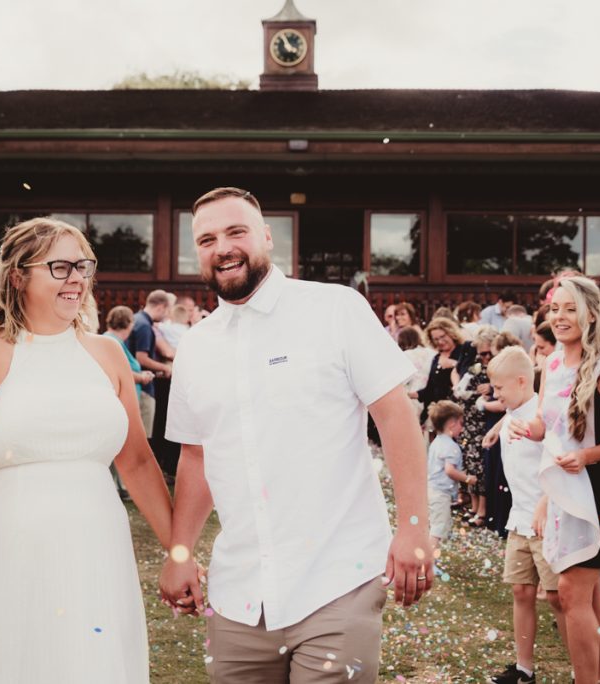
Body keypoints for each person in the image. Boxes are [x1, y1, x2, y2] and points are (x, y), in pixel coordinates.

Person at [159, 187, 432, 683]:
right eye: (207, 239)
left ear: (266, 236)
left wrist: (413, 526)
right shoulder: (196, 347)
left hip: (336, 578)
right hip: (239, 592)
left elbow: (395, 418)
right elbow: (196, 455)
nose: (223, 247)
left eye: (236, 231)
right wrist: (180, 553)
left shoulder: (335, 309)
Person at [0, 218, 172, 682]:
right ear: (18, 276)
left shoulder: (107, 354)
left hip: (97, 551)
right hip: (4, 553)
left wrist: (179, 551)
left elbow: (138, 462)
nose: (76, 278)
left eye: (83, 265)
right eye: (60, 266)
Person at [510, 276, 600, 684]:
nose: (560, 317)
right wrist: (528, 428)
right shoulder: (550, 364)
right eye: (555, 309)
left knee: (571, 592)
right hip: (563, 489)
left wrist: (587, 456)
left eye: (570, 309)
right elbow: (549, 425)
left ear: (590, 314)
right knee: (584, 593)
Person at [486, 347, 567, 684]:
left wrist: (547, 500)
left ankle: (584, 669)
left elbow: (560, 458)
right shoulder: (515, 410)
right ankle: (524, 669)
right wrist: (497, 427)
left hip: (545, 518)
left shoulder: (544, 415)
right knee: (521, 590)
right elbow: (515, 410)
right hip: (519, 519)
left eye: (499, 388)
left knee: (557, 597)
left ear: (521, 381)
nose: (495, 394)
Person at [105, 305, 156, 499]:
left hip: (124, 399)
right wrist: (141, 377)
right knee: (124, 446)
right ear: (128, 323)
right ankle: (123, 487)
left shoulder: (116, 341)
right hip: (120, 402)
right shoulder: (112, 342)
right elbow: (118, 371)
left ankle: (122, 486)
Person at [451, 325, 499, 525]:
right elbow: (460, 381)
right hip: (469, 420)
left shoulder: (498, 367)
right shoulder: (476, 364)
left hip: (484, 421)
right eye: (482, 353)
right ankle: (473, 506)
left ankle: (482, 510)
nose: (485, 357)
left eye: (488, 353)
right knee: (470, 464)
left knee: (481, 467)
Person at [425, 400, 473, 553]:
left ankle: (422, 553)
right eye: (461, 423)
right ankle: (427, 560)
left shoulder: (436, 442)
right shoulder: (451, 447)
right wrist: (467, 478)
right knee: (438, 528)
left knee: (431, 524)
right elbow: (450, 471)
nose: (462, 427)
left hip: (430, 489)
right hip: (440, 493)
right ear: (452, 424)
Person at [128, 290, 173, 439]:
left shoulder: (136, 319)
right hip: (144, 388)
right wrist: (165, 367)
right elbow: (141, 358)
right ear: (161, 307)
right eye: (167, 311)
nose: (166, 315)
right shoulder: (145, 326)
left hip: (134, 385)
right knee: (144, 436)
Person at [419, 317, 476, 421]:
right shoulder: (436, 358)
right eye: (436, 339)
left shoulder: (464, 350)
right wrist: (410, 395)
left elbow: (470, 373)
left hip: (457, 410)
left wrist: (454, 364)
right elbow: (430, 389)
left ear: (451, 333)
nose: (440, 341)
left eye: (442, 336)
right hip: (438, 413)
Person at [397, 326, 436, 419]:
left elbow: (402, 379)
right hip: (430, 390)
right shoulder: (431, 352)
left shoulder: (405, 355)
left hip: (412, 392)